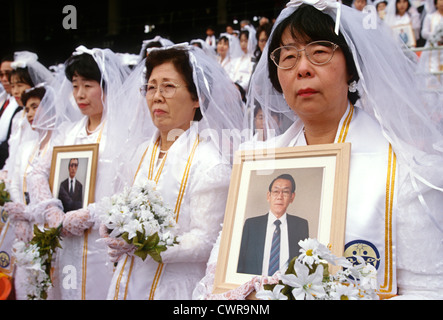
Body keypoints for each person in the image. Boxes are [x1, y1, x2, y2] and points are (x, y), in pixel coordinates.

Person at [195, 0, 443, 300]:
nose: (302, 69)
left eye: (320, 53)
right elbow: (218, 275)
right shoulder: (259, 163)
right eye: (288, 57)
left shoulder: (406, 171)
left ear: (350, 67)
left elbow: (429, 290)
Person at [101, 44, 245, 300]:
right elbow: (121, 204)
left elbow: (205, 240)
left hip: (175, 288)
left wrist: (145, 244)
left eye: (168, 86)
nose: (157, 96)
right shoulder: (140, 152)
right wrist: (113, 226)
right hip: (128, 281)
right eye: (151, 87)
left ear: (196, 97)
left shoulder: (209, 162)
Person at [26, 45, 132, 300]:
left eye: (88, 85)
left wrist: (92, 213)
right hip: (68, 241)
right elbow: (37, 170)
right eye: (75, 86)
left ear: (107, 87)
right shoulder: (69, 132)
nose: (80, 94)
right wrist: (51, 209)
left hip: (102, 242)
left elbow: (131, 190)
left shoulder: (124, 134)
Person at [237, 174, 309, 276]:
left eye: (285, 192)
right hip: (255, 286)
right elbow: (240, 264)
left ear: (292, 197)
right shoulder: (251, 225)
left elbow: (304, 265)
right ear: (268, 196)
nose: (280, 196)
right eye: (276, 191)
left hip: (287, 289)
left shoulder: (301, 226)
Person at [0, 55, 20, 169]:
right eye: (1, 74)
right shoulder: (3, 99)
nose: (4, 79)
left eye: (7, 74)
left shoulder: (21, 106)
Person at [419, 0, 443, 82]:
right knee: (432, 72)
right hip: (433, 49)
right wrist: (436, 36)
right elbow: (424, 33)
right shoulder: (430, 16)